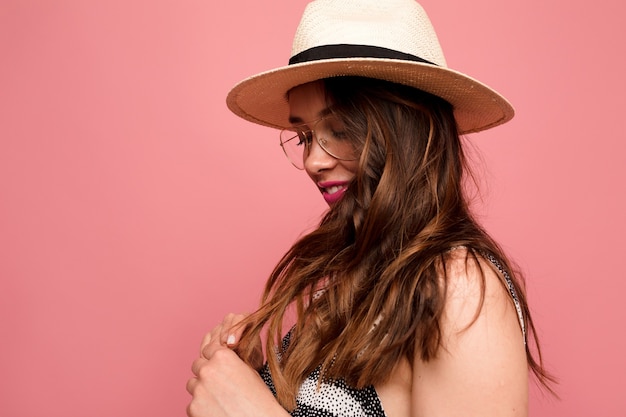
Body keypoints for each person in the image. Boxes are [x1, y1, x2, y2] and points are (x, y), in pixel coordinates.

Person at [186, 0, 554, 416]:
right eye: (304, 135)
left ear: (409, 127)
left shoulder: (461, 290)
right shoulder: (358, 278)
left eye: (339, 129)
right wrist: (257, 378)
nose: (313, 162)